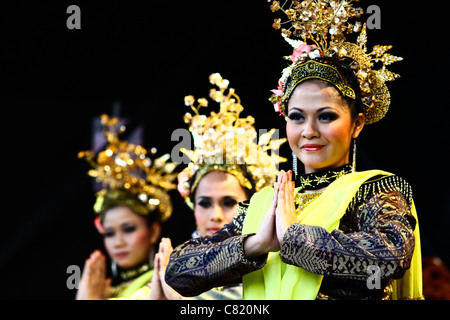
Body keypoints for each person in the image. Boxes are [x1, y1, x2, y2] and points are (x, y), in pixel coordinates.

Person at [164, 1, 423, 300]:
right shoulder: (264, 206)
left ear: (357, 124)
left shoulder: (376, 191)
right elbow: (177, 271)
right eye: (297, 117)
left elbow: (390, 255)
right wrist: (257, 244)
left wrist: (292, 238)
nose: (309, 131)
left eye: (326, 116)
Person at [149, 73, 287, 300]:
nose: (215, 215)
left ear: (251, 205)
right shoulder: (175, 268)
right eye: (204, 203)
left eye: (229, 202)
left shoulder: (271, 267)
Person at [76, 114, 178, 300]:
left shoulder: (165, 284)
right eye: (109, 233)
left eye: (129, 229)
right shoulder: (108, 292)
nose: (118, 242)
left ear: (154, 231)